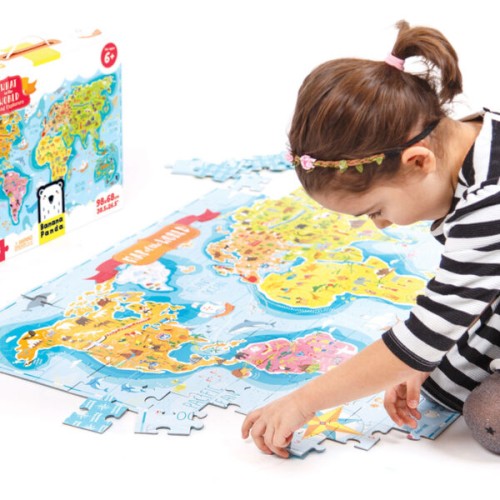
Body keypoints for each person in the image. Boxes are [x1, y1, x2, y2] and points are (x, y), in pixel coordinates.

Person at [241, 20, 500, 457]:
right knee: (435, 376)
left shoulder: (489, 205)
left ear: (418, 162)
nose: (381, 225)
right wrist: (423, 353)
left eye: (376, 210)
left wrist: (303, 402)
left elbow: (423, 335)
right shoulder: (478, 136)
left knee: (488, 416)